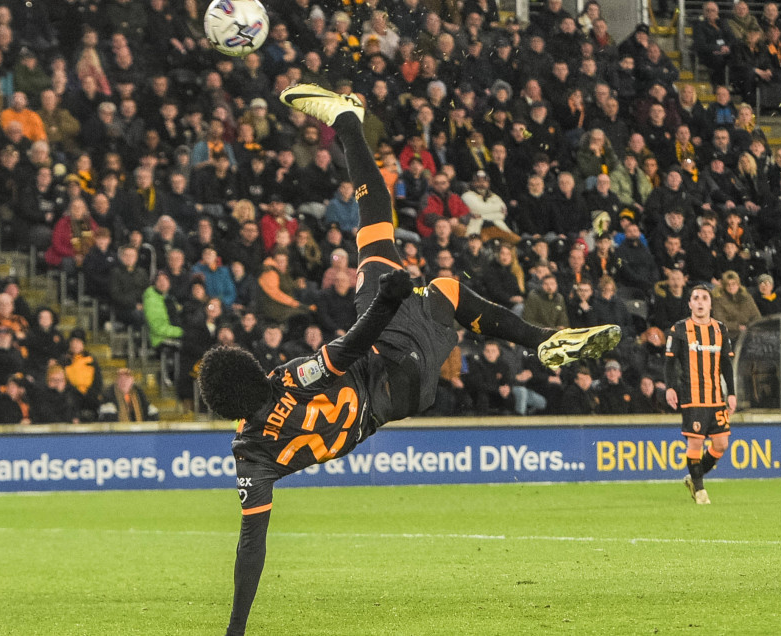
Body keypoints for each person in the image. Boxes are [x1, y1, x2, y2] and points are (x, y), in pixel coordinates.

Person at [198, 85, 621, 636]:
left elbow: (250, 547)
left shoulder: (248, 452)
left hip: (399, 399)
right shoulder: (287, 380)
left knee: (375, 239)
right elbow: (347, 348)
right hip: (392, 359)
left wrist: (235, 631)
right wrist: (392, 299)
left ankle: (347, 122)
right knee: (440, 284)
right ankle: (540, 338)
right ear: (254, 369)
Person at [665, 284, 736, 505]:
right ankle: (700, 490)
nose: (700, 302)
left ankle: (693, 478)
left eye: (704, 298)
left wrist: (731, 393)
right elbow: (669, 363)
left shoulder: (720, 329)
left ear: (710, 303)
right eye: (695, 298)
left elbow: (726, 364)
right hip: (692, 397)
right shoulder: (679, 329)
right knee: (695, 444)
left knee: (721, 444)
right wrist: (670, 387)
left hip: (716, 398)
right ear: (689, 303)